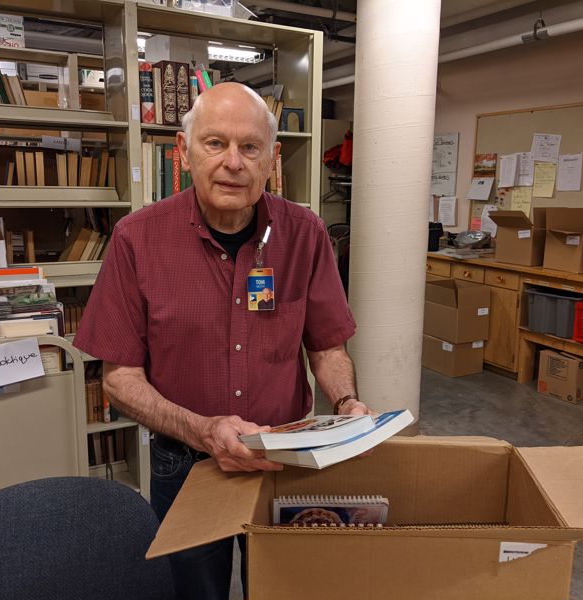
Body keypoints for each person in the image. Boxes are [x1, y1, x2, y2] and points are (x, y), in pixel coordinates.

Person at [73, 82, 370, 600]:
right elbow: (119, 381)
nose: (233, 162)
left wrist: (345, 401)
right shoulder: (136, 240)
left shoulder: (306, 235)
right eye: (215, 143)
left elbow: (326, 347)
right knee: (194, 593)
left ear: (272, 160)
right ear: (184, 154)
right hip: (187, 463)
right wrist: (203, 430)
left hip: (287, 460)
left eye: (250, 147)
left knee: (285, 588)